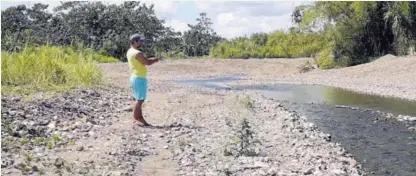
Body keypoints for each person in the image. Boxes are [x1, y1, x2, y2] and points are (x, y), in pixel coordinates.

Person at [126, 34, 161, 126]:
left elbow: (143, 61)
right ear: (135, 41)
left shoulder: (130, 51)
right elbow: (147, 62)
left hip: (136, 77)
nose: (142, 42)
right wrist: (155, 59)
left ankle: (140, 118)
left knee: (138, 99)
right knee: (140, 100)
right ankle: (136, 119)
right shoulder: (136, 53)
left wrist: (152, 59)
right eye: (140, 41)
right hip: (138, 78)